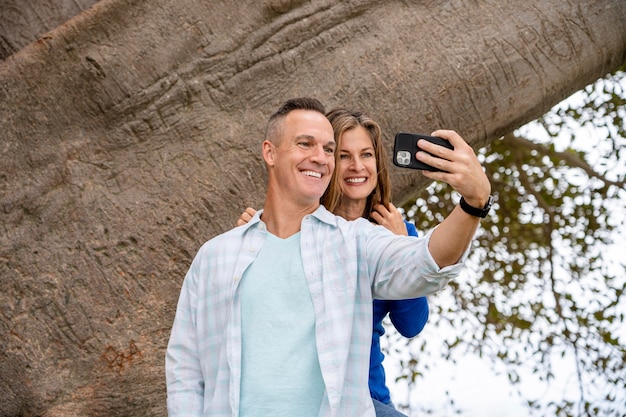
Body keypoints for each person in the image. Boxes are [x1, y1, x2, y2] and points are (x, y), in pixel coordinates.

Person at [165, 97, 493, 417]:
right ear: (270, 152)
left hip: (364, 397)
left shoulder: (361, 241)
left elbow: (426, 268)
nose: (323, 158)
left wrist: (473, 202)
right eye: (307, 144)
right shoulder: (218, 255)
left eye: (329, 150)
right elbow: (185, 367)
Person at [236, 107, 428, 417]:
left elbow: (411, 325)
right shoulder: (291, 225)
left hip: (369, 398)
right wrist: (247, 250)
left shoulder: (397, 232)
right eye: (343, 156)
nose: (357, 167)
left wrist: (403, 249)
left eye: (366, 155)